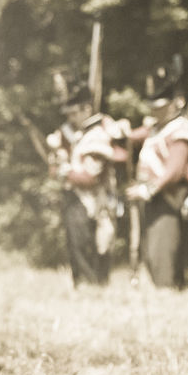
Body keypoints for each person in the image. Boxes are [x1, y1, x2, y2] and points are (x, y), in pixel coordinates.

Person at [130, 62, 188, 288]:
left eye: (160, 106)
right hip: (153, 197)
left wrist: (149, 188)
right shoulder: (157, 128)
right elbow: (132, 137)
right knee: (151, 247)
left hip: (167, 196)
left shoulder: (180, 128)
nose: (155, 111)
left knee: (162, 248)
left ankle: (168, 288)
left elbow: (174, 170)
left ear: (175, 104)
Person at [50, 81, 124, 287]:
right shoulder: (75, 134)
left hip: (93, 201)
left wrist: (65, 171)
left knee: (92, 246)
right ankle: (84, 285)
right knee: (77, 246)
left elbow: (90, 178)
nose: (70, 118)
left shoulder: (98, 135)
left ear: (87, 109)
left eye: (74, 113)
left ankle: (93, 286)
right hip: (77, 199)